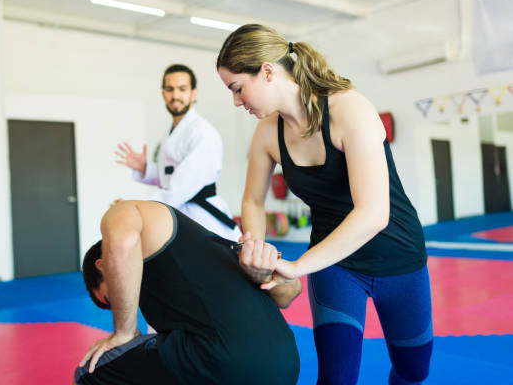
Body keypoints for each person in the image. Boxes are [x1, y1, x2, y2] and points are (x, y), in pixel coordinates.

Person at [217, 24, 433, 385]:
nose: (237, 101)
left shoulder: (350, 109)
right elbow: (253, 200)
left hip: (399, 257)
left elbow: (373, 214)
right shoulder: (268, 133)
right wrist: (255, 251)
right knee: (336, 378)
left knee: (414, 372)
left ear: (267, 71)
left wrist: (298, 266)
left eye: (238, 88)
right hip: (335, 265)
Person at [74, 200, 301, 385]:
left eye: (109, 298)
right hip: (287, 364)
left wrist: (123, 333)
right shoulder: (197, 254)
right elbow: (292, 290)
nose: (123, 301)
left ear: (103, 265)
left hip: (228, 362)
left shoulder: (126, 213)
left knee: (89, 371)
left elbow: (122, 244)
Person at [115, 64, 240, 241]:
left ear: (193, 93)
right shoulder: (171, 132)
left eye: (182, 89)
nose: (175, 96)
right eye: (169, 89)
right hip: (180, 212)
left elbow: (181, 186)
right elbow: (171, 175)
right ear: (163, 94)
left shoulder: (202, 132)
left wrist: (136, 208)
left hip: (202, 215)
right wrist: (146, 168)